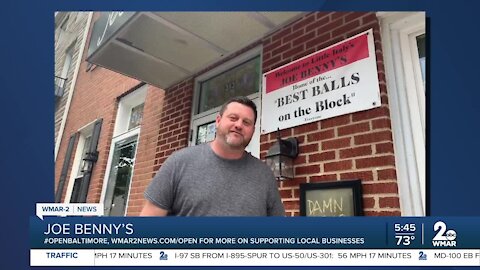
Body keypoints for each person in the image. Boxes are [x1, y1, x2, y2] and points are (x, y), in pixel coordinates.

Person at [140, 96, 285, 216]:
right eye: (233, 118)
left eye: (246, 122)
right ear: (218, 121)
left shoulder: (264, 175)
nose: (239, 125)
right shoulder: (179, 163)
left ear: (253, 130)